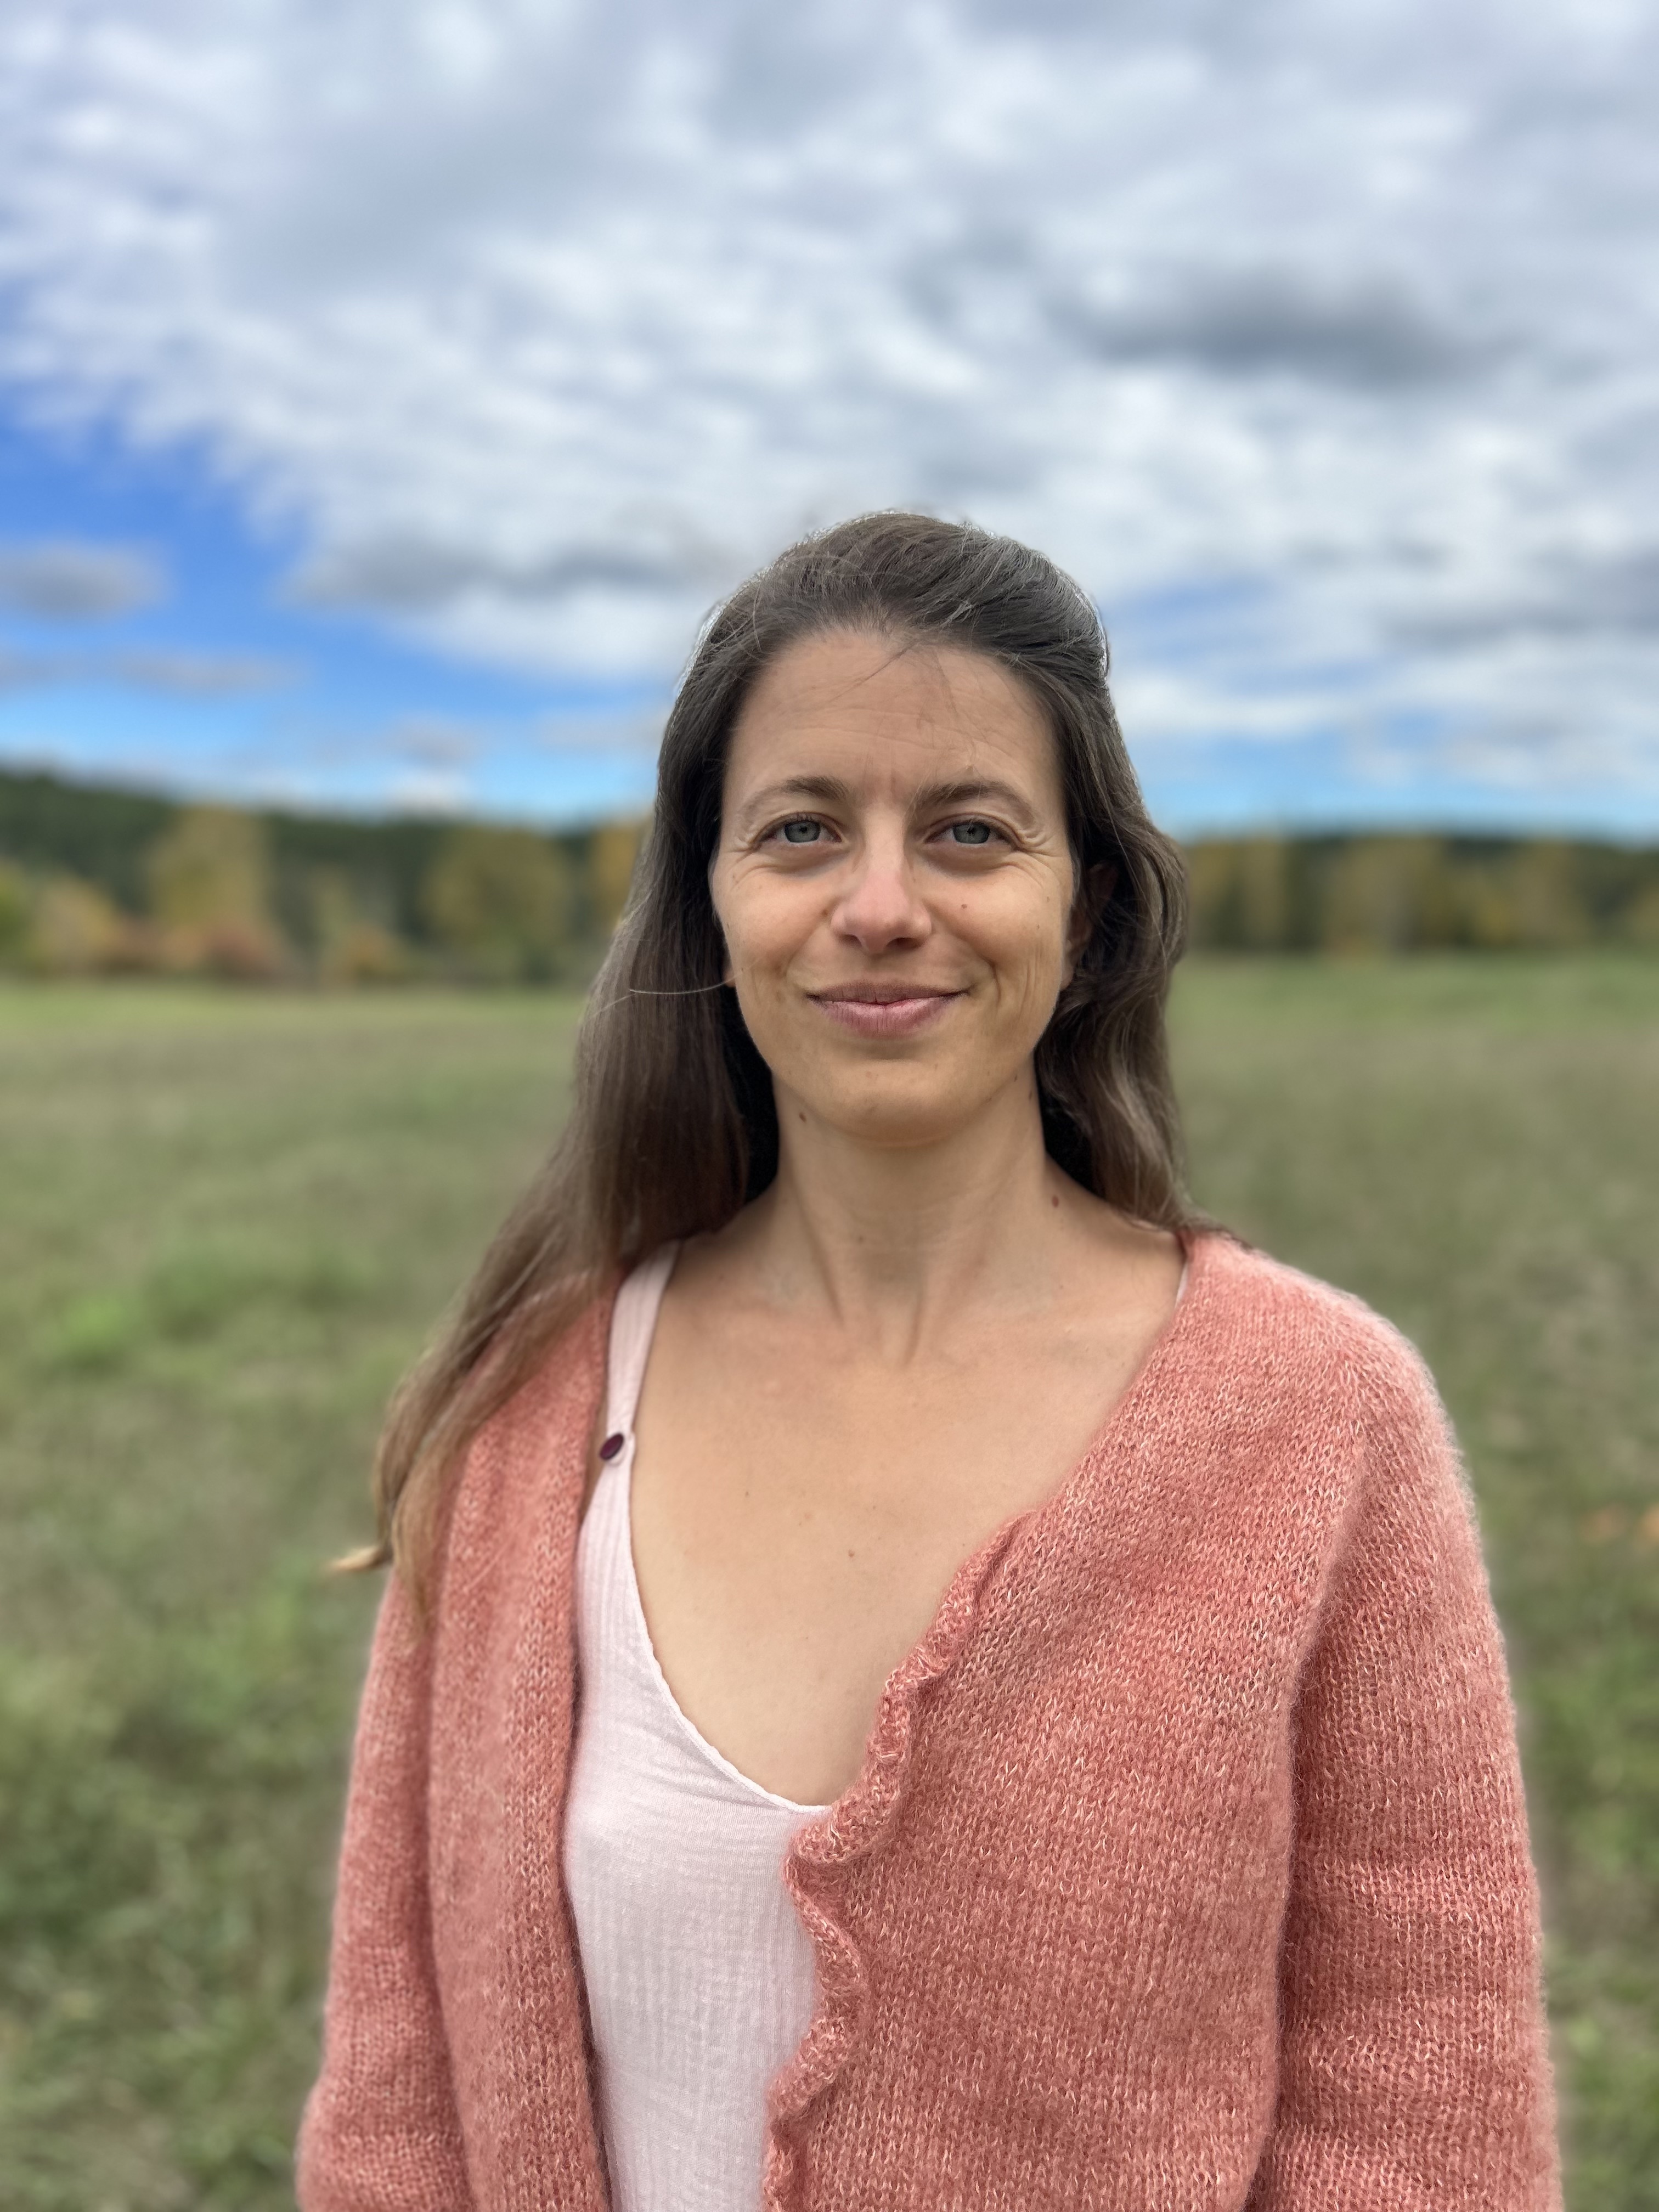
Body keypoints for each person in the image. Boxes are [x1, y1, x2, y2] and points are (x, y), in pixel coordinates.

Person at [297, 513, 1560, 2211]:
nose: (881, 907)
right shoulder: (531, 1414)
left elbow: (1423, 2126)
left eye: (968, 830)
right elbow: (396, 2110)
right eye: (802, 830)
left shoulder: (1324, 1422)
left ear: (1085, 906)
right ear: (714, 900)